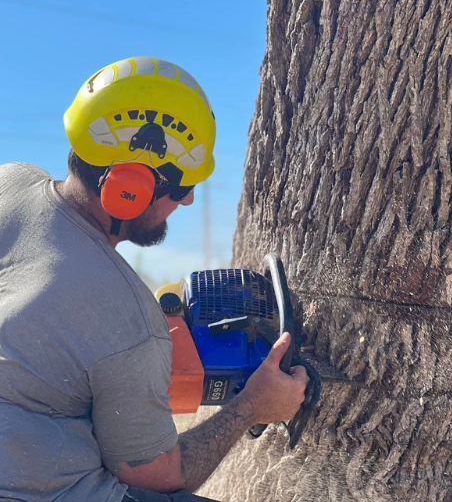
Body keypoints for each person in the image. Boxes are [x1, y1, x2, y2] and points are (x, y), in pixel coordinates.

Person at [0, 57, 308, 502]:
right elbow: (161, 477)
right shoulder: (127, 315)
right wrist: (253, 406)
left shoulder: (11, 181)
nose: (187, 202)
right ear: (129, 187)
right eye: (180, 188)